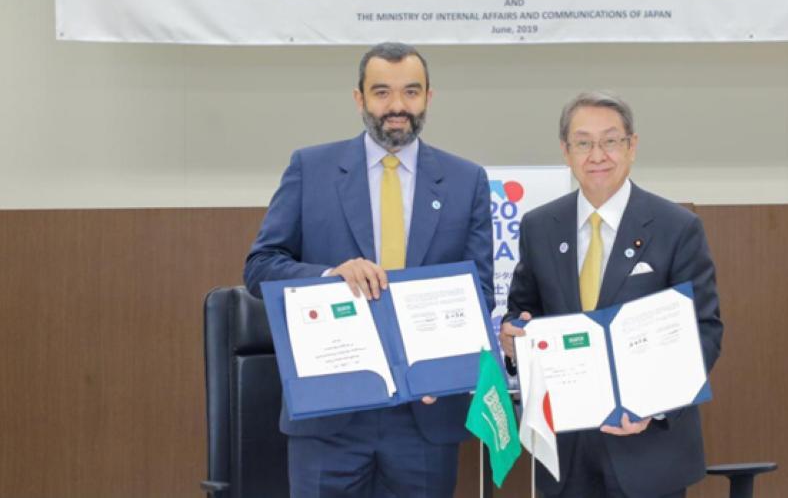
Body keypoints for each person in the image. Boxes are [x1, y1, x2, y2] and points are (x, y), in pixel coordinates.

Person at [245, 42, 494, 498]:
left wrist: (448, 369)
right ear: (359, 98)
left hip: (425, 417)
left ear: (429, 98)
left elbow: (478, 292)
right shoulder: (310, 168)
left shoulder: (466, 180)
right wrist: (327, 278)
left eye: (411, 92)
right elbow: (261, 267)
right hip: (329, 417)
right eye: (382, 92)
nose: (397, 106)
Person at [500, 91, 722, 498]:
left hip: (649, 450)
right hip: (566, 450)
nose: (597, 154)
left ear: (632, 146)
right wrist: (514, 339)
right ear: (566, 152)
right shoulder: (540, 226)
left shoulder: (677, 227)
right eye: (583, 142)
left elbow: (704, 331)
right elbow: (524, 310)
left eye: (610, 140)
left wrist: (652, 407)